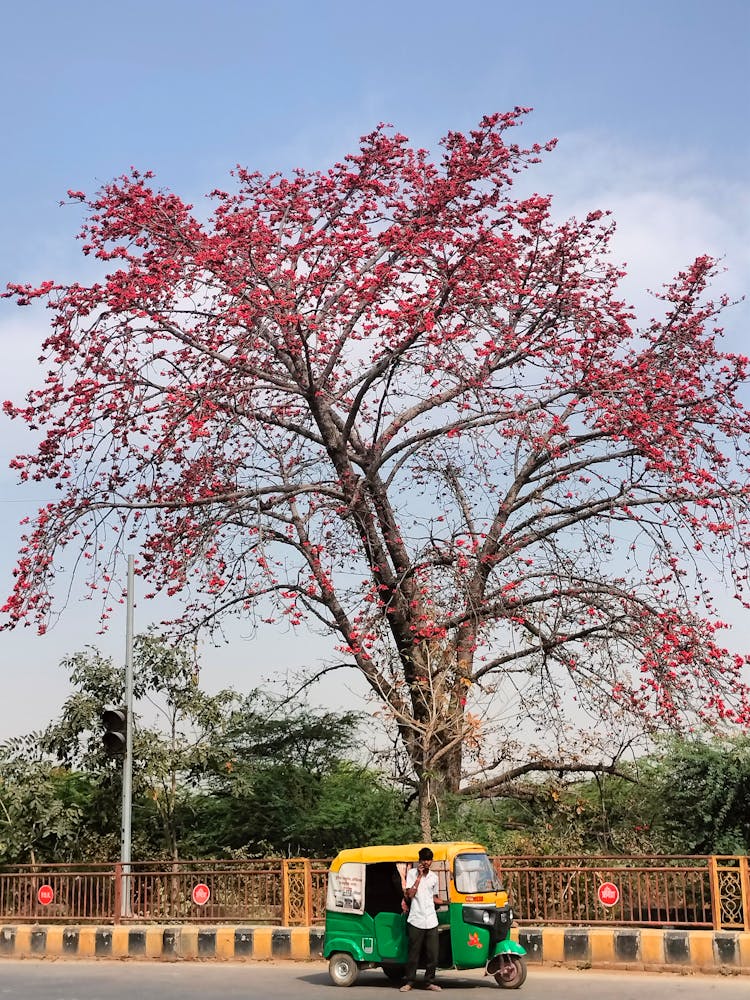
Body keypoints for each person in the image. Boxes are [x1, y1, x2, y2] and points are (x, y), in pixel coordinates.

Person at [400, 847, 443, 992]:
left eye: (429, 860)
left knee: (433, 953)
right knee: (413, 952)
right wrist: (418, 877)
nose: (426, 862)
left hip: (431, 919)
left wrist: (445, 902)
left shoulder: (434, 878)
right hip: (416, 919)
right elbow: (410, 894)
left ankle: (429, 982)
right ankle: (410, 981)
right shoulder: (412, 874)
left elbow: (434, 897)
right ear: (419, 860)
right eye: (424, 859)